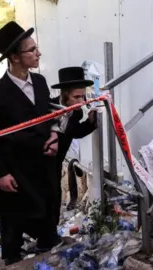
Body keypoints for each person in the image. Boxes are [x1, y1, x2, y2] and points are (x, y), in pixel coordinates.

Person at [0, 21, 59, 265]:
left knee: (46, 214)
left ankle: (47, 249)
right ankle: (14, 259)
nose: (38, 54)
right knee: (13, 220)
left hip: (42, 163)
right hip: (15, 169)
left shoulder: (40, 82)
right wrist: (1, 173)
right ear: (14, 57)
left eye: (36, 49)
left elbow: (50, 115)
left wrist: (54, 134)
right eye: (31, 50)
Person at [50, 66, 97, 225]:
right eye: (76, 97)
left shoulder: (76, 112)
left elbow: (74, 132)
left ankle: (50, 237)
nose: (81, 102)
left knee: (54, 201)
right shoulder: (49, 110)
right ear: (64, 95)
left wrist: (90, 123)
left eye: (83, 97)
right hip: (37, 164)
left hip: (55, 165)